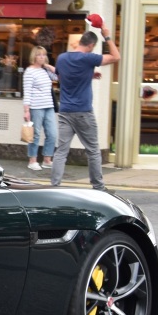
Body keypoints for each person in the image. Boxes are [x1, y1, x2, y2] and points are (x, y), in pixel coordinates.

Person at [50, 22, 120, 190]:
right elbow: (116, 56)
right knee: (93, 151)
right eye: (93, 47)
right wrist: (107, 35)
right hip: (83, 112)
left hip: (65, 111)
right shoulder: (89, 58)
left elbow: (61, 78)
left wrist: (88, 75)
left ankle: (54, 185)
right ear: (91, 45)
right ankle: (98, 187)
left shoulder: (62, 58)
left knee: (61, 151)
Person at [22, 46, 57, 170]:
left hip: (49, 106)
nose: (42, 57)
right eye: (39, 55)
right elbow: (27, 92)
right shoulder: (29, 71)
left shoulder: (45, 70)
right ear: (34, 56)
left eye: (44, 55)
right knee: (35, 134)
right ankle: (32, 160)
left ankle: (47, 159)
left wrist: (48, 66)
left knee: (52, 133)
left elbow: (58, 76)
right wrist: (26, 110)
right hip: (36, 107)